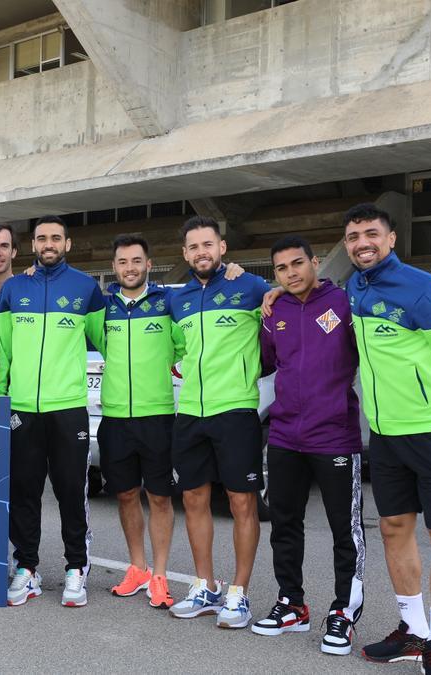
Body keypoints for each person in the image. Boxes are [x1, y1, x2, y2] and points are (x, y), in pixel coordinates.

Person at [342, 204, 431, 675]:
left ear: (391, 238)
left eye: (371, 234)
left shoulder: (426, 289)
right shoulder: (353, 288)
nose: (362, 242)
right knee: (393, 530)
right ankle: (412, 630)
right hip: (385, 438)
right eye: (353, 236)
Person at [249, 235, 365, 655]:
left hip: (334, 433)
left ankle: (344, 613)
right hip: (283, 435)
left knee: (344, 530)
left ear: (315, 262)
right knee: (284, 524)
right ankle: (292, 604)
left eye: (297, 264)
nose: (291, 273)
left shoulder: (344, 304)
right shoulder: (273, 309)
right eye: (281, 269)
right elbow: (267, 362)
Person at [0, 215, 105, 608]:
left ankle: (77, 567)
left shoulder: (85, 288)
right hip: (22, 410)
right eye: (42, 238)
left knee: (71, 491)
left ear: (67, 244)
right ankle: (28, 568)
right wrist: (1, 395)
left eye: (56, 238)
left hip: (69, 408)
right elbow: (2, 351)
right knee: (23, 491)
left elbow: (107, 339)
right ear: (34, 245)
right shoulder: (13, 288)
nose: (49, 244)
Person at [167, 216, 271, 629]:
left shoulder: (250, 287)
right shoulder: (179, 299)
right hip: (190, 411)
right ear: (185, 254)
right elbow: (175, 347)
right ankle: (205, 586)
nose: (201, 253)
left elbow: (292, 293)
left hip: (236, 410)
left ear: (222, 247)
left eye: (207, 245)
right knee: (192, 499)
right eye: (193, 247)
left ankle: (238, 595)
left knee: (241, 501)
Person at [97, 234, 180, 610]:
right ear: (114, 268)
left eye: (136, 261)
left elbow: (181, 346)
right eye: (122, 262)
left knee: (160, 497)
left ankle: (160, 575)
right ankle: (138, 567)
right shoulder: (102, 309)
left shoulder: (168, 305)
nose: (129, 268)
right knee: (126, 494)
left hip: (157, 415)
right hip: (115, 417)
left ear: (149, 264)